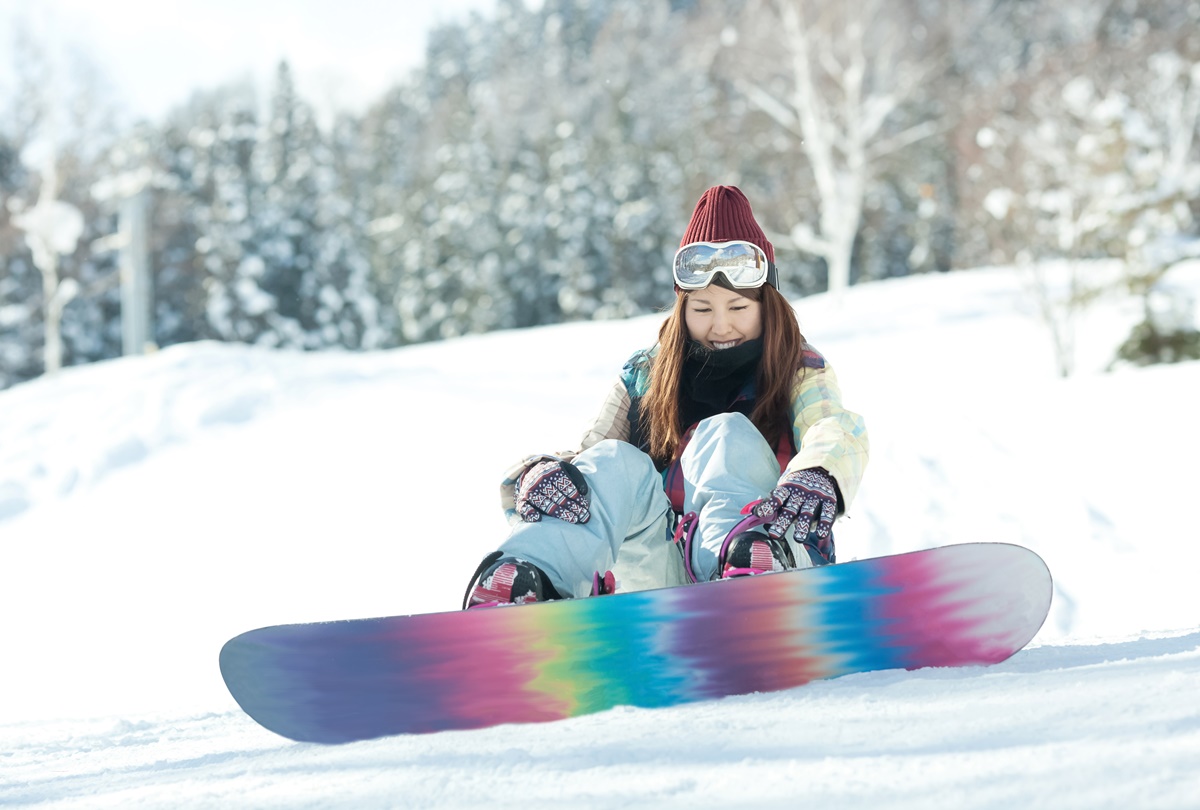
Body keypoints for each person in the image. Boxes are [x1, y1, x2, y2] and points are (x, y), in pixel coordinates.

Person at [463, 185, 869, 608]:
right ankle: (525, 582)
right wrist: (538, 474)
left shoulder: (797, 368)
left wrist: (819, 472)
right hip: (662, 575)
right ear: (682, 309)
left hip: (778, 556)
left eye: (737, 307)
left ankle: (748, 573)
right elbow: (594, 461)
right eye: (703, 309)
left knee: (725, 433)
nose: (721, 326)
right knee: (613, 463)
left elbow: (832, 425)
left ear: (767, 304)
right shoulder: (645, 375)